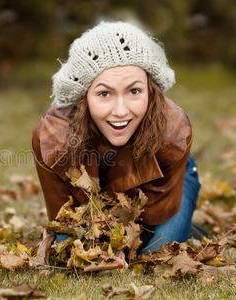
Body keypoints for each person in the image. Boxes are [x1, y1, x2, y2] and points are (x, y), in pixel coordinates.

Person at [31, 21, 202, 254]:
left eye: (134, 91)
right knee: (69, 252)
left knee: (155, 252)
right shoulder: (53, 137)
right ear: (84, 98)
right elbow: (65, 220)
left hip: (166, 180)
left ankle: (184, 221)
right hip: (99, 197)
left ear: (150, 91)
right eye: (104, 93)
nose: (121, 111)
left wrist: (121, 247)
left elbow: (148, 221)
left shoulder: (172, 134)